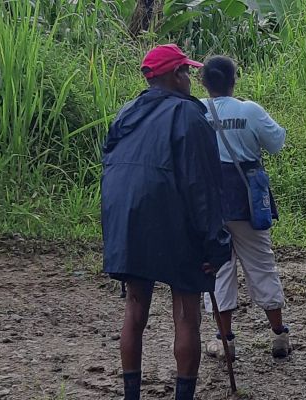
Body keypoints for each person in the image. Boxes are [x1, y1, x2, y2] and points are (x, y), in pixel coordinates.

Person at [100, 44, 231, 400]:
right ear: (176, 75)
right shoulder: (190, 117)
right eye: (187, 72)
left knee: (135, 307)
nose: (190, 79)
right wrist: (215, 245)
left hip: (126, 223)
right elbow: (203, 185)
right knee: (188, 313)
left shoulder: (125, 113)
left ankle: (131, 395)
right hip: (174, 223)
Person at [194, 55, 295, 361]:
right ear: (234, 80)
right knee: (262, 264)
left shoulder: (196, 110)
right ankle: (279, 336)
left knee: (220, 269)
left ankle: (225, 341)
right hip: (247, 200)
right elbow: (277, 142)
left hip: (209, 202)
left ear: (204, 82)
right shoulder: (249, 110)